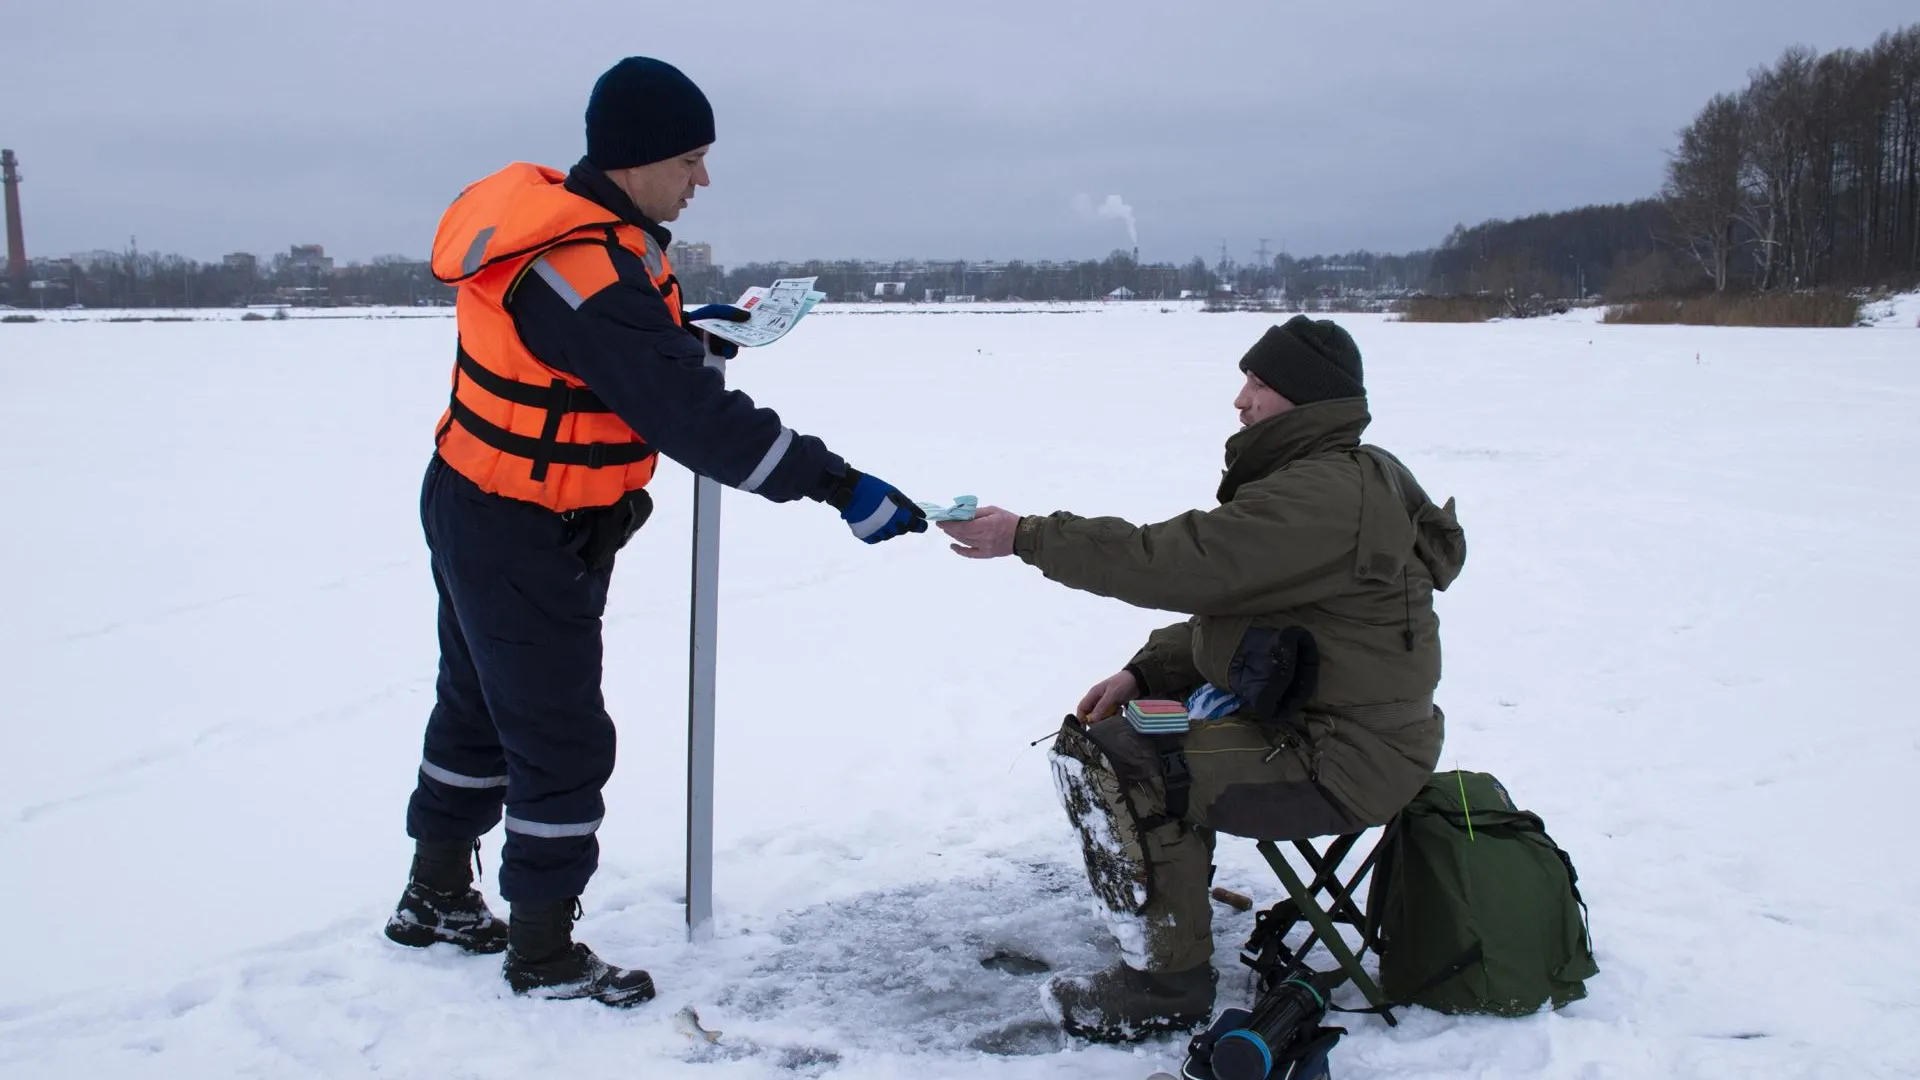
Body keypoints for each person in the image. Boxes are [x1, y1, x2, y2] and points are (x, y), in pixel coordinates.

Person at [382, 56, 927, 1008]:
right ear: (637, 161)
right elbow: (697, 422)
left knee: (477, 706)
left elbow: (616, 356)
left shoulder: (595, 246)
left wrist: (684, 335)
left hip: (492, 502)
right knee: (558, 733)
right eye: (692, 159)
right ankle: (543, 953)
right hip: (519, 521)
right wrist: (839, 485)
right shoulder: (584, 272)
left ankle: (435, 899)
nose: (702, 182)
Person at [938, 315, 1466, 1043]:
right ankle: (1169, 898)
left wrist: (1027, 535)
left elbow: (1178, 561)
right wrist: (1144, 671)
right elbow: (1236, 611)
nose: (1241, 400)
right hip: (1328, 727)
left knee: (1124, 761)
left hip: (1341, 756)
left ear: (1306, 403)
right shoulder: (1338, 477)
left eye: (1260, 383)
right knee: (1131, 731)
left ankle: (1165, 986)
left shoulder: (1322, 497)